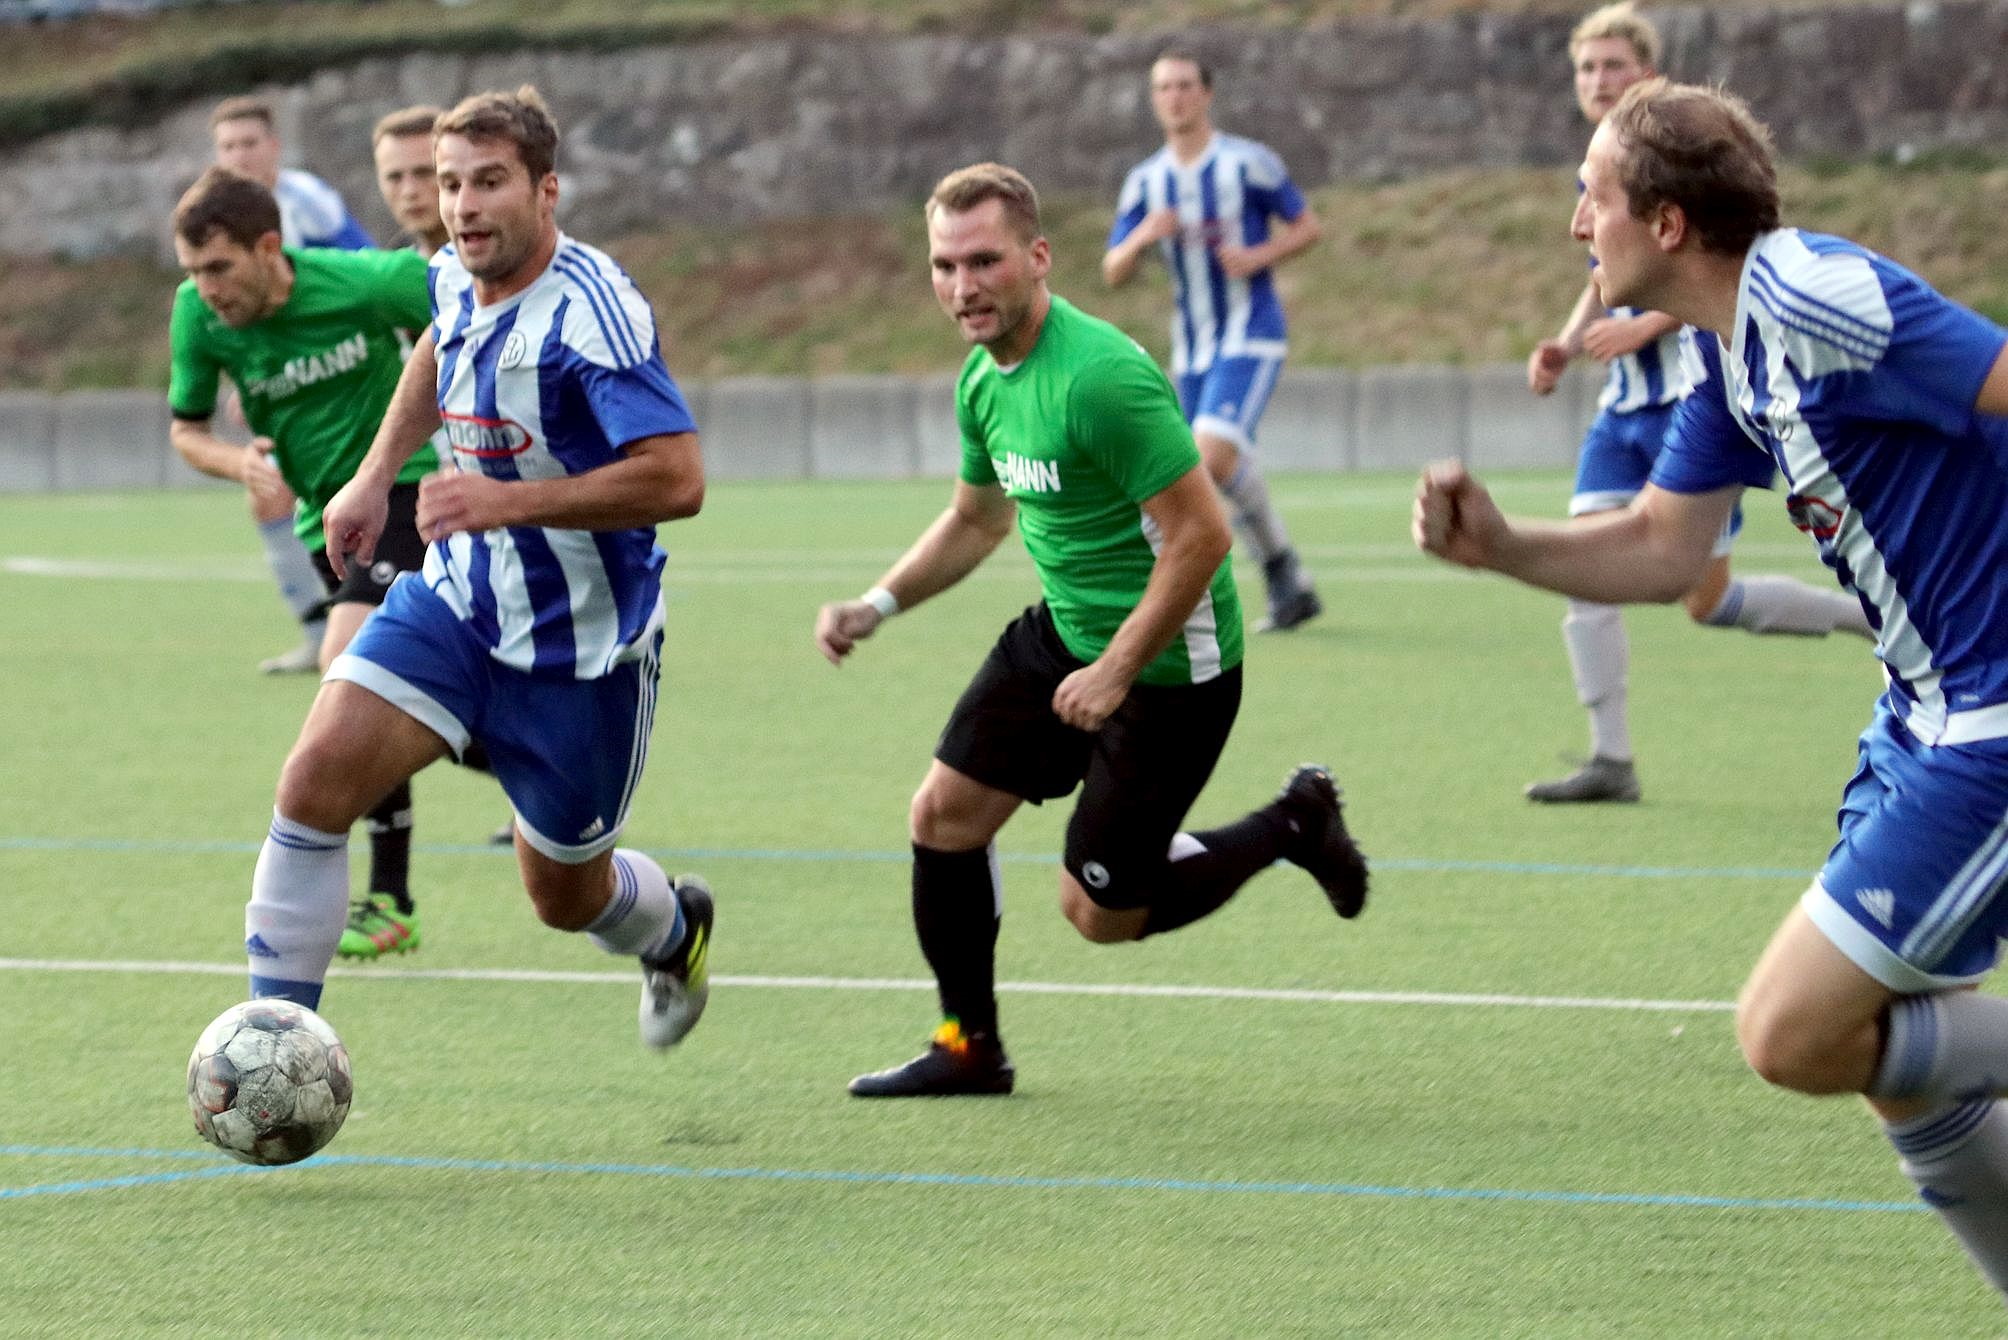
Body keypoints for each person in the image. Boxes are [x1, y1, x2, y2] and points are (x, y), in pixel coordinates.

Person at [1414, 78, 2008, 1303]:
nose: (1578, 225)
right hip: (1920, 715)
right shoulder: (1732, 358)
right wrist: (1500, 546)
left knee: (1791, 1031)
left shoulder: (1808, 288)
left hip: (1992, 720)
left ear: (1669, 222)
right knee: (1904, 1060)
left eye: (1593, 195)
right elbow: (1661, 547)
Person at [818, 163, 1367, 1098]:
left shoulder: (1102, 378)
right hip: (1064, 636)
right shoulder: (983, 384)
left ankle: (1292, 822)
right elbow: (977, 521)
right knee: (942, 818)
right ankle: (967, 1046)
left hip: (1169, 662)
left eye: (985, 261)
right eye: (945, 266)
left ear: (1038, 258)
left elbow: (1203, 536)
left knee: (1101, 910)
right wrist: (880, 603)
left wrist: (1117, 668)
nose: (964, 286)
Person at [256, 86, 713, 1054]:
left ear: (547, 191)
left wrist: (507, 500)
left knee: (564, 896)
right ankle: (276, 1044)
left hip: (581, 651)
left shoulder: (596, 318)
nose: (461, 205)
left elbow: (677, 477)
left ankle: (674, 926)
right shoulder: (456, 273)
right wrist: (374, 476)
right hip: (456, 603)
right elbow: (435, 343)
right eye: (447, 182)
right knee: (311, 785)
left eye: (487, 182)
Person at [1520, 2, 1872, 804]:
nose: (1596, 81)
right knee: (1588, 565)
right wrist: (1568, 341)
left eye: (1612, 65)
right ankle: (1612, 759)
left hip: (1692, 400)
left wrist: (1645, 327)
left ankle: (1862, 616)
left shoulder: (1676, 157)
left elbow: (1713, 274)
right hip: (1623, 410)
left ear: (1646, 72)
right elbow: (1601, 279)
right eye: (1585, 69)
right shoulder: (1602, 167)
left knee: (1705, 600)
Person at [168, 166, 441, 963]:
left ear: (269, 247)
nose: (205, 288)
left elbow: (475, 313)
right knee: (406, 700)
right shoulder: (198, 319)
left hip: (406, 495)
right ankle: (540, 754)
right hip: (328, 524)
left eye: (218, 268)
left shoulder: (366, 282)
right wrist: (236, 463)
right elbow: (186, 428)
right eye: (192, 271)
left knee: (348, 665)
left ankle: (387, 902)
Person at [1102, 50, 1324, 634]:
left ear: (1206, 94)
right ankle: (1286, 576)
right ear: (1154, 101)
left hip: (1251, 332)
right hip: (1192, 348)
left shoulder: (1248, 163)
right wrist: (1144, 236)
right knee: (1210, 467)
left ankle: (1193, 594)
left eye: (1184, 85)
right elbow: (1113, 270)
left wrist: (1259, 255)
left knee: (1207, 460)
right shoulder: (1146, 182)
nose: (1174, 96)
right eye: (1163, 88)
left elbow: (1307, 226)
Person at [210, 95, 378, 674]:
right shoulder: (216, 220)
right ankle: (318, 631)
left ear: (274, 147)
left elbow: (366, 272)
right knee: (269, 496)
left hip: (340, 381)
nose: (240, 155)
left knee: (337, 497)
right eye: (228, 146)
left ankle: (361, 623)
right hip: (283, 387)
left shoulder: (305, 200)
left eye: (249, 143)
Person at [371, 105, 450, 256]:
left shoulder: (502, 268)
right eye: (394, 177)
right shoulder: (389, 273)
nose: (409, 191)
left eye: (425, 173)